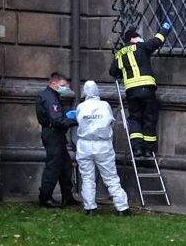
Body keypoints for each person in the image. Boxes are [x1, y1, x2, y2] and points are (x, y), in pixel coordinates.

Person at [108, 22, 172, 158]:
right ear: (133, 39)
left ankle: (137, 148)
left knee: (135, 118)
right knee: (149, 117)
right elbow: (157, 41)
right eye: (138, 37)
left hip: (131, 91)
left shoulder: (119, 54)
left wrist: (124, 72)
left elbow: (113, 71)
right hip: (146, 88)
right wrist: (165, 29)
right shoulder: (141, 46)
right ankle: (148, 149)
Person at [72, 80, 131, 217]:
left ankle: (90, 207)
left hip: (84, 144)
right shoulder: (105, 105)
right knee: (110, 177)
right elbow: (110, 122)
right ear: (97, 91)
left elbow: (78, 121)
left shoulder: (81, 106)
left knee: (87, 177)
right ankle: (122, 208)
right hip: (102, 144)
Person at [35, 71, 78, 208]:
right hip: (53, 134)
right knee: (53, 166)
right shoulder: (50, 98)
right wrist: (73, 120)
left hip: (55, 134)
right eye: (63, 85)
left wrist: (66, 115)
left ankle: (68, 197)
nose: (65, 88)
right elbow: (56, 120)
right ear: (54, 84)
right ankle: (45, 198)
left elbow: (56, 116)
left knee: (65, 166)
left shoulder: (51, 96)